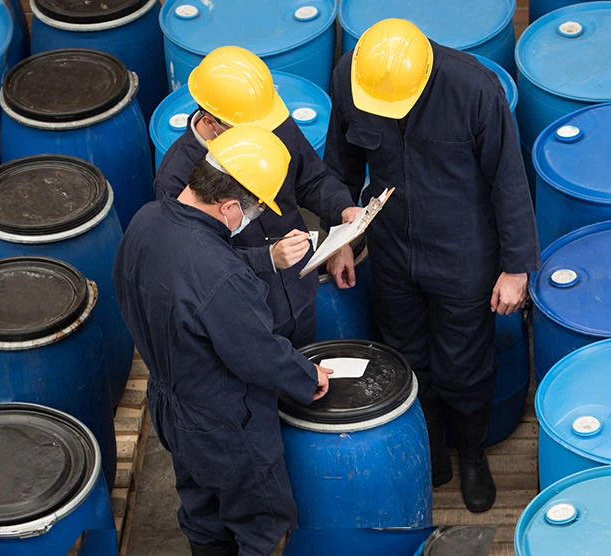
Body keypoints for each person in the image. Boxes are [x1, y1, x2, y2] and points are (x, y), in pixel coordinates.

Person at [323, 19, 538, 513]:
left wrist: (516, 268)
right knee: (406, 352)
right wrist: (340, 240)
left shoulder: (475, 90)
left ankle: (471, 457)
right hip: (392, 246)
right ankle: (432, 450)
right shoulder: (351, 78)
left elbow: (509, 180)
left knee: (465, 362)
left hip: (464, 251)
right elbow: (341, 165)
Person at [116, 126, 336, 556]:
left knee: (202, 513)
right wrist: (306, 374)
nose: (250, 220)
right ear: (230, 205)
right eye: (252, 212)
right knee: (261, 524)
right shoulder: (223, 276)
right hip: (227, 425)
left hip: (170, 404)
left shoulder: (144, 222)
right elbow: (257, 354)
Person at [154, 46, 365, 348]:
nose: (262, 137)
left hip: (299, 291)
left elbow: (312, 180)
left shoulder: (268, 123)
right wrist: (267, 259)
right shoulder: (177, 176)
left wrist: (342, 212)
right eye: (249, 129)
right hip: (244, 315)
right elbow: (192, 263)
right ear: (211, 121)